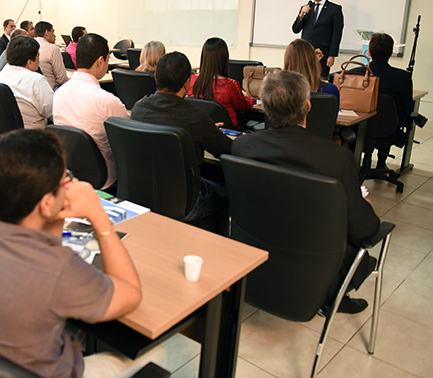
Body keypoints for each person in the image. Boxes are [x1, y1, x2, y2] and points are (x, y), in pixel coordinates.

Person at [0, 128, 165, 377]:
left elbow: (44, 251)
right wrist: (99, 217)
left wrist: (53, 214)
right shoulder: (58, 271)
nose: (70, 183)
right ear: (46, 203)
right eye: (65, 178)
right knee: (156, 355)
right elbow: (131, 294)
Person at [232, 70, 380, 314]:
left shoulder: (242, 147)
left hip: (256, 253)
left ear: (265, 106)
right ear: (308, 105)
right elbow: (363, 230)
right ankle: (334, 297)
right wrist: (366, 209)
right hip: (313, 267)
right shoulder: (336, 158)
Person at [131, 52, 232, 222]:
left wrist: (205, 129)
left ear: (155, 77)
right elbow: (226, 149)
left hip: (143, 194)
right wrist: (208, 130)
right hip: (187, 203)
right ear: (187, 82)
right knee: (227, 191)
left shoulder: (138, 108)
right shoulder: (195, 118)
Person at [53, 33, 128, 190]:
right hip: (106, 180)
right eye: (107, 59)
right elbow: (128, 140)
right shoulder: (107, 101)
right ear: (100, 61)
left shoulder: (59, 93)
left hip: (70, 174)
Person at [355, 33, 414, 169]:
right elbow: (407, 109)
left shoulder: (355, 74)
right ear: (391, 53)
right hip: (389, 128)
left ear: (369, 52)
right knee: (387, 118)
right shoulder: (403, 77)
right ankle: (381, 164)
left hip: (358, 127)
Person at [188, 37, 256, 127]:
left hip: (200, 128)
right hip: (226, 131)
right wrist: (248, 97)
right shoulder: (230, 85)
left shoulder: (191, 80)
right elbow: (243, 106)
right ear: (224, 59)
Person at [0, 36, 53, 129]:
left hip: (3, 134)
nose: (39, 61)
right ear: (29, 62)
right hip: (35, 134)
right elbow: (54, 112)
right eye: (38, 57)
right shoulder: (36, 80)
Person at [291, 0, 344, 78]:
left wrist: (332, 55)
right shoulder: (306, 8)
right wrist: (301, 15)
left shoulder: (334, 9)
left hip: (323, 54)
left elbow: (337, 33)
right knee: (303, 80)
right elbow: (295, 29)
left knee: (319, 81)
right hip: (305, 52)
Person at [36, 21, 68, 89]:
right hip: (51, 89)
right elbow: (62, 79)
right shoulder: (53, 49)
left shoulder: (30, 46)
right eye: (53, 32)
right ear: (47, 32)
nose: (55, 35)